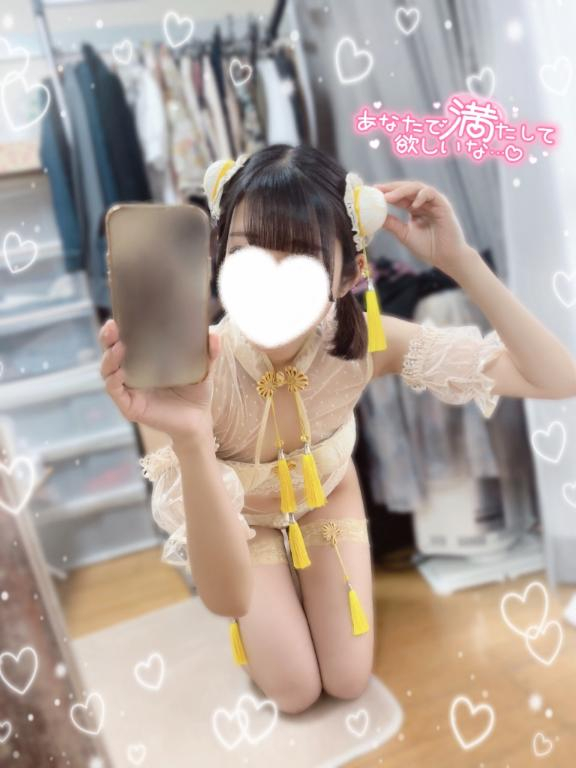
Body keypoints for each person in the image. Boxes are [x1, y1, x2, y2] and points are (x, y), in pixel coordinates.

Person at [99, 143, 576, 715]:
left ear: (349, 272)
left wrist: (460, 261)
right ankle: (281, 602)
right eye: (247, 252)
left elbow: (555, 378)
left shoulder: (364, 342)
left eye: (300, 258)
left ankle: (300, 597)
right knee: (296, 691)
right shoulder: (188, 374)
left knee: (347, 680)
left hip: (325, 493)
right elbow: (221, 595)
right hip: (240, 520)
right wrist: (192, 437)